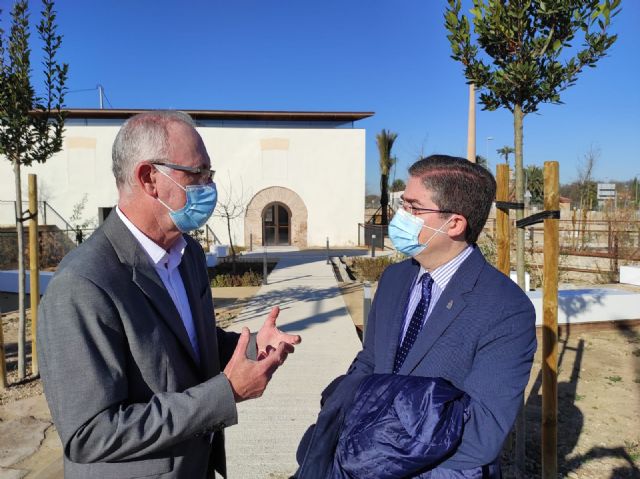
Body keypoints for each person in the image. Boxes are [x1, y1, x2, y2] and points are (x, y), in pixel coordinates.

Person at [37, 111, 301, 479]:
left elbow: (188, 352)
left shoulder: (187, 254)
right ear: (149, 179)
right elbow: (89, 434)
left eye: (210, 173)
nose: (208, 185)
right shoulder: (83, 283)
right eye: (197, 174)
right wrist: (226, 393)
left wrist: (254, 346)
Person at [298, 155, 536, 477]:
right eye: (402, 204)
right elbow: (370, 360)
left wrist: (375, 448)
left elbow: (482, 434)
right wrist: (340, 410)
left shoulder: (506, 308)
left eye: (413, 207)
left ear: (454, 223)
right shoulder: (395, 278)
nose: (401, 216)